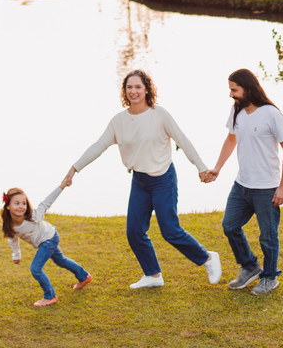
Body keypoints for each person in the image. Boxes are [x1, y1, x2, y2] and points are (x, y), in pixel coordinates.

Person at [62, 69, 221, 289]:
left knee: (170, 230)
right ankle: (153, 275)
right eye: (129, 87)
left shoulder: (160, 115)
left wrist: (201, 168)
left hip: (163, 179)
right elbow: (98, 146)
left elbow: (183, 141)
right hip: (140, 181)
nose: (133, 91)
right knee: (134, 231)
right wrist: (74, 169)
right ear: (124, 91)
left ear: (147, 90)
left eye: (138, 87)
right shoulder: (119, 121)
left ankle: (208, 258)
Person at [206, 68, 283, 297]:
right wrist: (217, 167)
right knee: (230, 226)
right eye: (230, 90)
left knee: (268, 235)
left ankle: (270, 277)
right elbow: (231, 139)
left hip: (267, 188)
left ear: (248, 88)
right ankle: (250, 266)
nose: (231, 94)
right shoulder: (237, 111)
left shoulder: (271, 114)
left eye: (234, 90)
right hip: (242, 185)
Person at [1, 185, 92, 307]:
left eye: (24, 203)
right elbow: (13, 239)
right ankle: (84, 276)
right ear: (8, 206)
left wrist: (62, 186)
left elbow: (47, 202)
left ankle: (50, 296)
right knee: (61, 261)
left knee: (35, 269)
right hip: (47, 239)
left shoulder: (33, 216)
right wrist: (16, 255)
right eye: (16, 203)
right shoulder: (7, 225)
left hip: (49, 238)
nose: (21, 207)